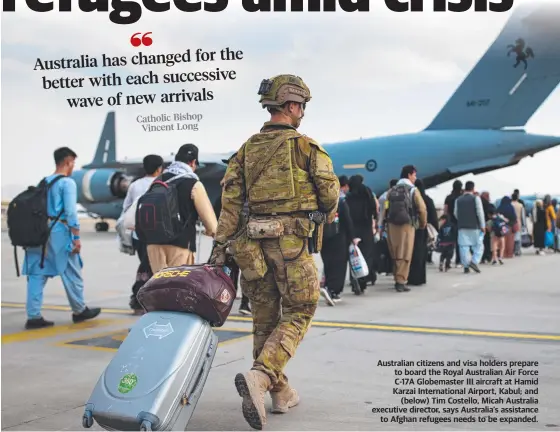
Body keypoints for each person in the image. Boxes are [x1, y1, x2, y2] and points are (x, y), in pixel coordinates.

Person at [209, 74, 340, 430]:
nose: (303, 114)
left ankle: (279, 392)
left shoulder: (245, 150)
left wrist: (219, 249)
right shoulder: (306, 147)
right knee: (300, 310)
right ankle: (262, 375)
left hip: (250, 249)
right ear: (292, 105)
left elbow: (230, 205)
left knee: (265, 318)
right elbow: (330, 195)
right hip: (292, 245)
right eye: (302, 107)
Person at [21, 147, 101, 329]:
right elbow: (71, 213)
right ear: (67, 162)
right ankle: (80, 310)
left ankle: (33, 316)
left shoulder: (44, 182)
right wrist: (76, 236)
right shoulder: (67, 183)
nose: (73, 167)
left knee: (37, 274)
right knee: (71, 270)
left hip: (39, 231)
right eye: (73, 163)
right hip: (59, 232)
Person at [144, 144, 218, 273]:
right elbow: (210, 223)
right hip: (180, 243)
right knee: (178, 287)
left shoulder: (158, 181)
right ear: (193, 162)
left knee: (160, 285)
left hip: (153, 243)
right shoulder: (193, 183)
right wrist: (216, 235)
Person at [120, 154, 163, 314]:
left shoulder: (135, 185)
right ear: (159, 169)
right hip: (156, 235)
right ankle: (140, 298)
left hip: (138, 234)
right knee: (151, 268)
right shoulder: (162, 184)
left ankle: (141, 299)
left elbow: (126, 208)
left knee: (145, 265)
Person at [382, 165, 427, 292]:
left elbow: (385, 206)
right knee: (405, 253)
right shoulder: (413, 190)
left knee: (395, 252)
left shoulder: (391, 190)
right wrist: (422, 224)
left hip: (391, 224)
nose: (415, 178)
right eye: (414, 175)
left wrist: (384, 221)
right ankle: (401, 281)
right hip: (407, 225)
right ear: (409, 175)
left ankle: (397, 278)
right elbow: (422, 209)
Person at [214, 175, 251, 316]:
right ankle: (244, 304)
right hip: (245, 242)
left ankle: (226, 303)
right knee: (248, 275)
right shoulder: (247, 200)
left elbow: (217, 221)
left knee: (229, 275)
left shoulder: (221, 200)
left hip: (227, 242)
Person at [320, 175, 359, 305]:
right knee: (339, 266)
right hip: (339, 238)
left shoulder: (321, 201)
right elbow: (347, 221)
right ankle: (334, 291)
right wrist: (353, 237)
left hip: (324, 237)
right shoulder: (341, 201)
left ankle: (326, 285)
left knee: (328, 263)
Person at [345, 176, 377, 291]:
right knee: (367, 254)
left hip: (352, 229)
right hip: (366, 229)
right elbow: (374, 208)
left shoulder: (348, 197)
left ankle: (354, 281)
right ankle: (363, 281)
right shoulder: (367, 193)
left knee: (354, 255)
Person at [453, 181, 485, 274]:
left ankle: (466, 265)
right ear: (473, 188)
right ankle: (474, 262)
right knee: (478, 245)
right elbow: (480, 213)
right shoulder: (476, 198)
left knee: (463, 246)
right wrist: (482, 225)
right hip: (475, 226)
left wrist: (462, 219)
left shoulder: (458, 200)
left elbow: (455, 213)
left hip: (462, 226)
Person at [408, 179, 435, 285]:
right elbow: (432, 215)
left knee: (412, 252)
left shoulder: (411, 198)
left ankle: (411, 277)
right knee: (421, 252)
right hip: (422, 229)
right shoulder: (427, 199)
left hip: (412, 227)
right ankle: (421, 278)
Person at [444, 180, 463, 268]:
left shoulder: (448, 197)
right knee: (459, 242)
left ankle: (448, 261)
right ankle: (458, 261)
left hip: (449, 221)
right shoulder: (461, 197)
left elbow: (445, 210)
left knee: (450, 242)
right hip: (459, 222)